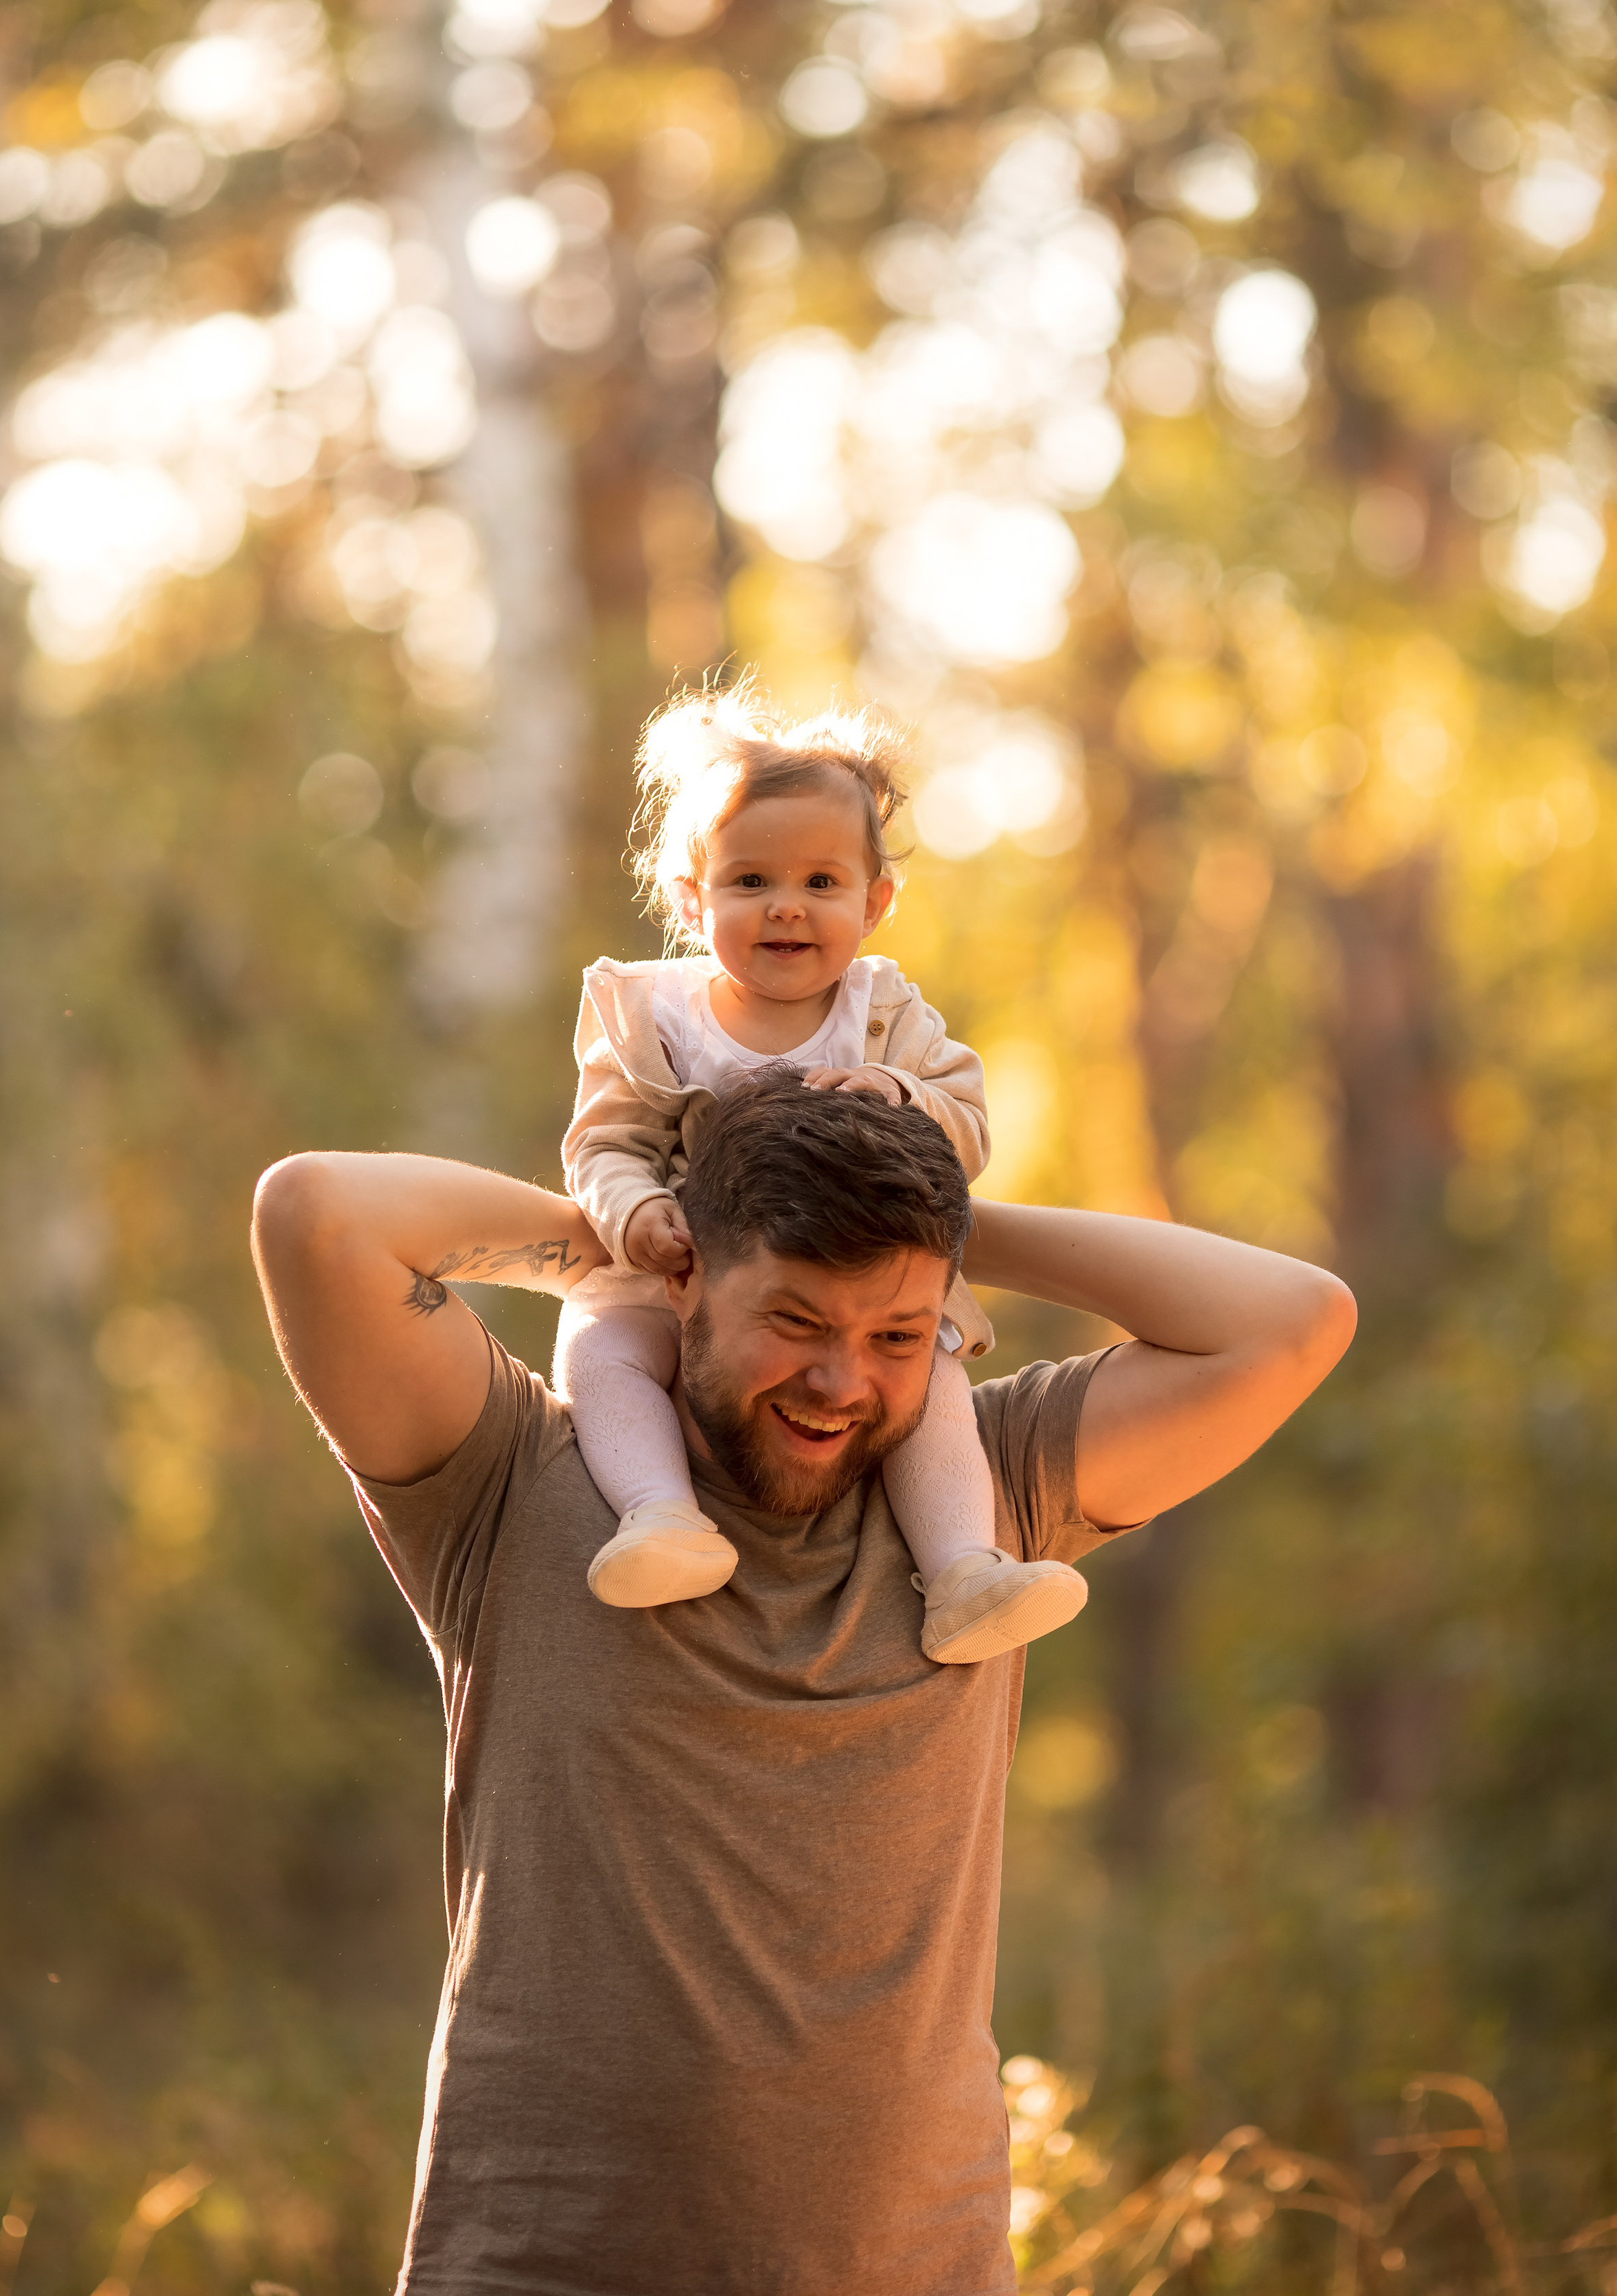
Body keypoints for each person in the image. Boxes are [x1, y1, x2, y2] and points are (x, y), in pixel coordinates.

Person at [251, 1073, 1355, 2296]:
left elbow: (1295, 1321)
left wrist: (944, 1229)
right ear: (687, 1280)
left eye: (897, 1336)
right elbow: (317, 1216)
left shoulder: (985, 1503)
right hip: (538, 2268)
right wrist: (644, 1223)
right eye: (795, 1318)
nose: (842, 1382)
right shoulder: (513, 1481)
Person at [556, 681, 1085, 1663]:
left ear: (875, 903)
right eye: (750, 881)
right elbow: (603, 1143)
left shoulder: (887, 1018)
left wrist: (899, 1091)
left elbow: (969, 1126)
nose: (786, 906)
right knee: (601, 1350)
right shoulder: (653, 1016)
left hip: (855, 1283)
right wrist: (633, 1211)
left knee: (934, 1381)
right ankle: (660, 1515)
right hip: (677, 1263)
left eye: (822, 882)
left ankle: (964, 1570)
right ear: (691, 897)